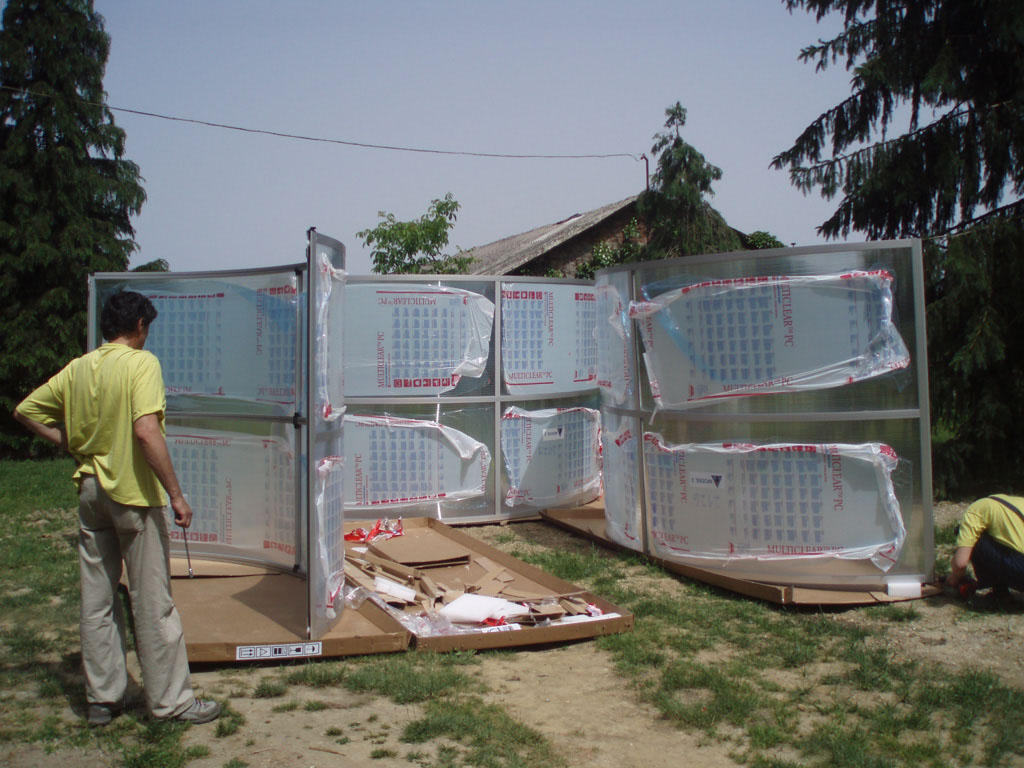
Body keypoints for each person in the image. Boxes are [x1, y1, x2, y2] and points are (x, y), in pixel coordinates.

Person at [14, 291, 220, 726]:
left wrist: (70, 443)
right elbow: (146, 431)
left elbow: (26, 411)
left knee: (98, 599)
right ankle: (171, 703)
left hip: (91, 492)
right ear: (140, 325)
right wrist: (176, 495)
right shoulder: (141, 364)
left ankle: (103, 698)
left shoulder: (80, 367)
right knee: (153, 602)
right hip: (133, 495)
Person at [946, 494, 1024, 596]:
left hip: (1020, 571)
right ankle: (998, 590)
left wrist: (954, 577)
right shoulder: (1020, 502)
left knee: (970, 536)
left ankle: (998, 591)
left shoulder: (977, 509)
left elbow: (961, 564)